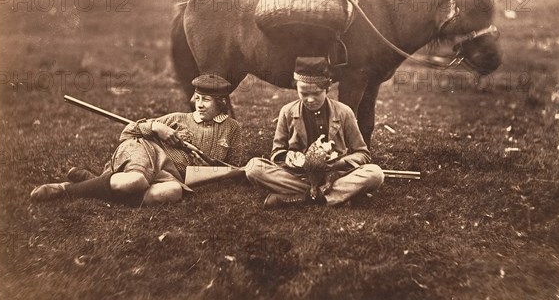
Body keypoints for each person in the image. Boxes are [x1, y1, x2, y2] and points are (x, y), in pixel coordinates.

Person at [30, 74, 242, 206]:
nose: (200, 105)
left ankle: (93, 181)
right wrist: (156, 127)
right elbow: (129, 133)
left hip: (168, 175)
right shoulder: (177, 118)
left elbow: (233, 167)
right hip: (145, 151)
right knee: (136, 181)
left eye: (207, 100)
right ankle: (65, 189)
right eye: (198, 99)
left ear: (222, 103)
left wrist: (226, 172)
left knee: (173, 192)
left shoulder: (232, 129)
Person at [246, 57, 384, 209]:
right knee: (254, 168)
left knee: (375, 174)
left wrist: (337, 163)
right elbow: (277, 152)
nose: (310, 99)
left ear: (327, 89)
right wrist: (290, 158)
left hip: (335, 176)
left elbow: (363, 154)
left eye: (316, 93)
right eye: (303, 94)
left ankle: (301, 198)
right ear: (296, 88)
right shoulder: (287, 112)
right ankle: (333, 196)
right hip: (299, 175)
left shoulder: (344, 112)